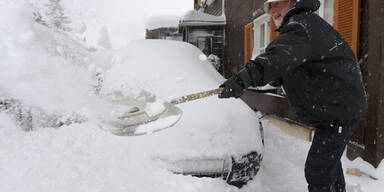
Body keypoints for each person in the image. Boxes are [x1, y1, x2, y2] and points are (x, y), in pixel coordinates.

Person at [218, 0, 368, 191]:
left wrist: (242, 79)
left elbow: (273, 60)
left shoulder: (300, 27)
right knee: (327, 164)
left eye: (276, 3)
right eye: (268, 7)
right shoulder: (303, 25)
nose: (272, 11)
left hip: (339, 111)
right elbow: (290, 64)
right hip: (337, 109)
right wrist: (276, 78)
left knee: (318, 170)